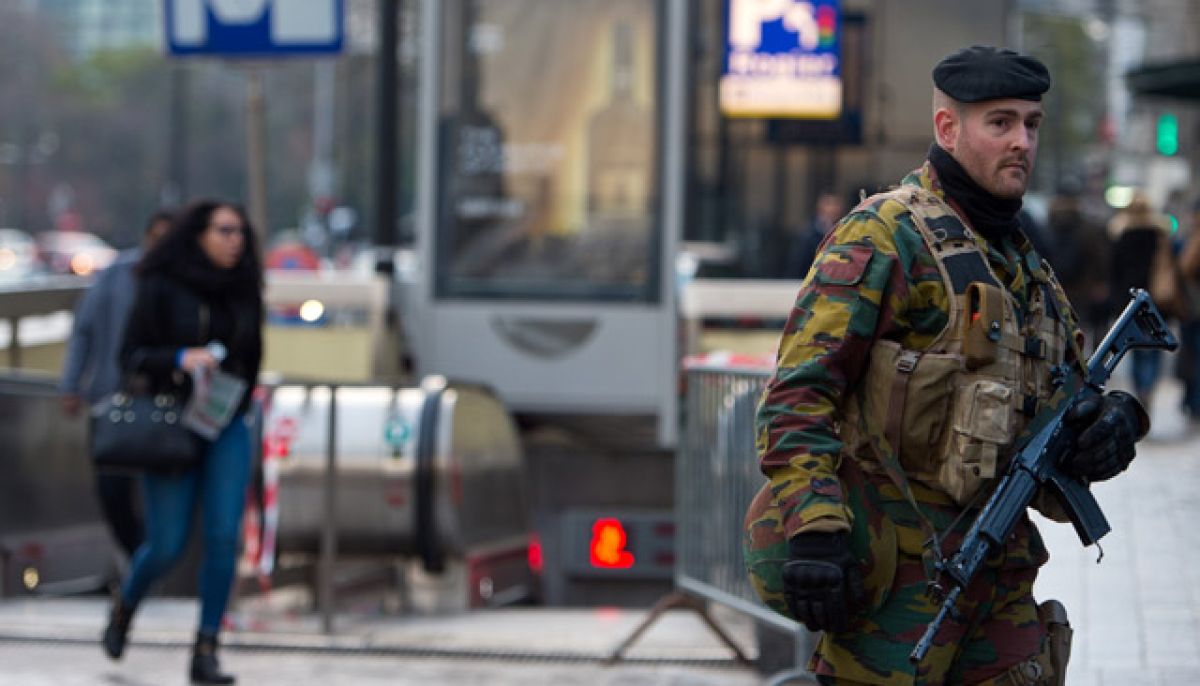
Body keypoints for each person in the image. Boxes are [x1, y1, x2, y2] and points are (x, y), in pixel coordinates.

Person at [744, 46, 1148, 685]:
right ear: (947, 128)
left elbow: (1063, 405)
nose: (1021, 142)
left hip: (999, 576)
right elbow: (799, 392)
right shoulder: (885, 235)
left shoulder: (1024, 264)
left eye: (1032, 124)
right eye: (1000, 123)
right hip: (898, 583)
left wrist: (1113, 423)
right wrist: (816, 528)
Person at [101, 200, 263, 685]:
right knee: (167, 545)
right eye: (225, 230)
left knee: (223, 536)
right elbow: (130, 356)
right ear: (199, 234)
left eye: (241, 232)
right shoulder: (161, 283)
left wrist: (235, 393)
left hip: (226, 421)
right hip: (172, 422)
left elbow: (253, 354)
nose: (235, 241)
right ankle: (126, 603)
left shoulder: (244, 286)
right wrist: (179, 358)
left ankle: (206, 648)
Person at [60, 210, 173, 559]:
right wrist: (71, 384)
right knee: (112, 487)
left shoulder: (186, 282)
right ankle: (138, 557)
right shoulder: (117, 275)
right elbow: (84, 331)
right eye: (157, 238)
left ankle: (152, 561)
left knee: (161, 493)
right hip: (112, 397)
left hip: (166, 405)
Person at [1107, 192, 1171, 409]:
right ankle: (1148, 387)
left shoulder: (1123, 236)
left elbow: (1114, 272)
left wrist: (1116, 303)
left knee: (1135, 347)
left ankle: (1141, 388)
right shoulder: (1158, 236)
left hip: (1130, 303)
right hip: (1156, 301)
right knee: (1154, 349)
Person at [784, 191, 847, 279]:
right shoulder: (807, 234)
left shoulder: (845, 231)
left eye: (836, 204)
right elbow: (798, 266)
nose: (832, 209)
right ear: (820, 206)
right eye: (828, 204)